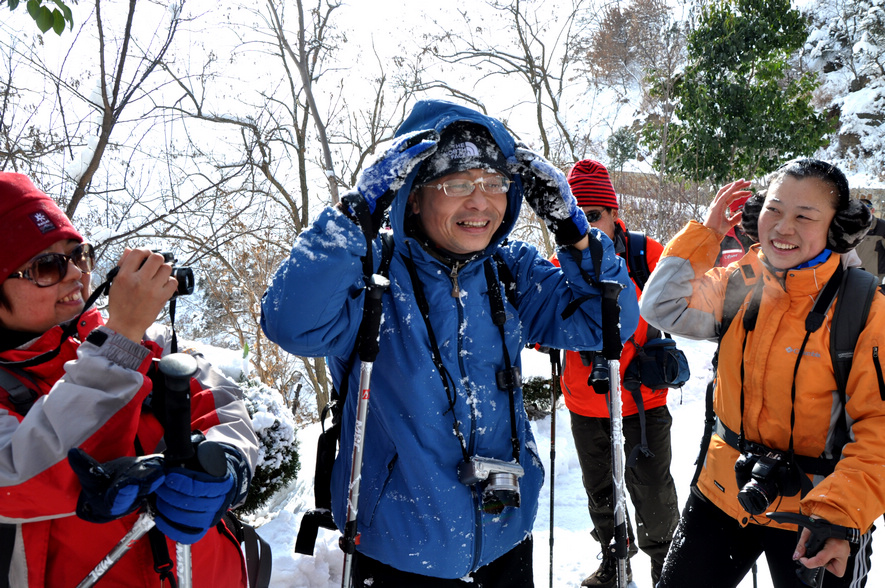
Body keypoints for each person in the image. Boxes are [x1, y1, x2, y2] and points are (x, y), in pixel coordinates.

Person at [261, 99, 639, 586]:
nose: (480, 202)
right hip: (400, 554)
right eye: (458, 184)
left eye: (495, 183)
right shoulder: (369, 274)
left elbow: (608, 322)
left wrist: (575, 232)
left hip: (507, 538)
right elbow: (290, 323)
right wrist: (357, 212)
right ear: (414, 196)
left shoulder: (509, 270)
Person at [0, 172, 259, 587]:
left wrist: (227, 463)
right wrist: (119, 342)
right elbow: (19, 479)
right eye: (45, 265)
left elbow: (223, 408)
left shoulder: (146, 342)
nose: (73, 275)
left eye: (78, 254)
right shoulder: (125, 338)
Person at [640, 159, 882, 588]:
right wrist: (707, 234)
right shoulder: (743, 279)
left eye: (805, 216)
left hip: (817, 514)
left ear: (837, 227)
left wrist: (838, 513)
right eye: (773, 209)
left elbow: (878, 429)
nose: (783, 227)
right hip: (722, 491)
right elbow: (661, 307)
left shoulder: (866, 310)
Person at [550, 159, 678, 587]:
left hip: (643, 400)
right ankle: (613, 560)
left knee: (654, 492)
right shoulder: (556, 263)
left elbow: (687, 299)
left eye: (593, 214)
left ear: (614, 212)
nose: (585, 225)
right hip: (586, 401)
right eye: (574, 215)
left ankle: (667, 567)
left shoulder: (647, 253)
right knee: (601, 493)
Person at [715, 193, 755, 267]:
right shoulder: (722, 238)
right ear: (733, 214)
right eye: (742, 211)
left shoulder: (761, 234)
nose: (747, 215)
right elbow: (712, 272)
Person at [853, 197, 885, 285]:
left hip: (874, 277)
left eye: (866, 210)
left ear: (872, 210)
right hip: (851, 274)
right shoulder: (849, 227)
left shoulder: (882, 227)